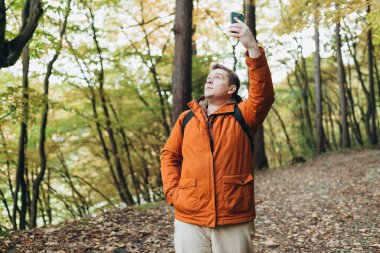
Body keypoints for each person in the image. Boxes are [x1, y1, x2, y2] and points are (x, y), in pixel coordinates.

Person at [160, 17, 275, 253]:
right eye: (208, 78)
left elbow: (263, 94)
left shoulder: (244, 114)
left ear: (232, 89)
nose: (210, 79)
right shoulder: (186, 119)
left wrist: (252, 48)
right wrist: (174, 193)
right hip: (189, 217)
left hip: (233, 216)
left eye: (218, 77)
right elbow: (169, 156)